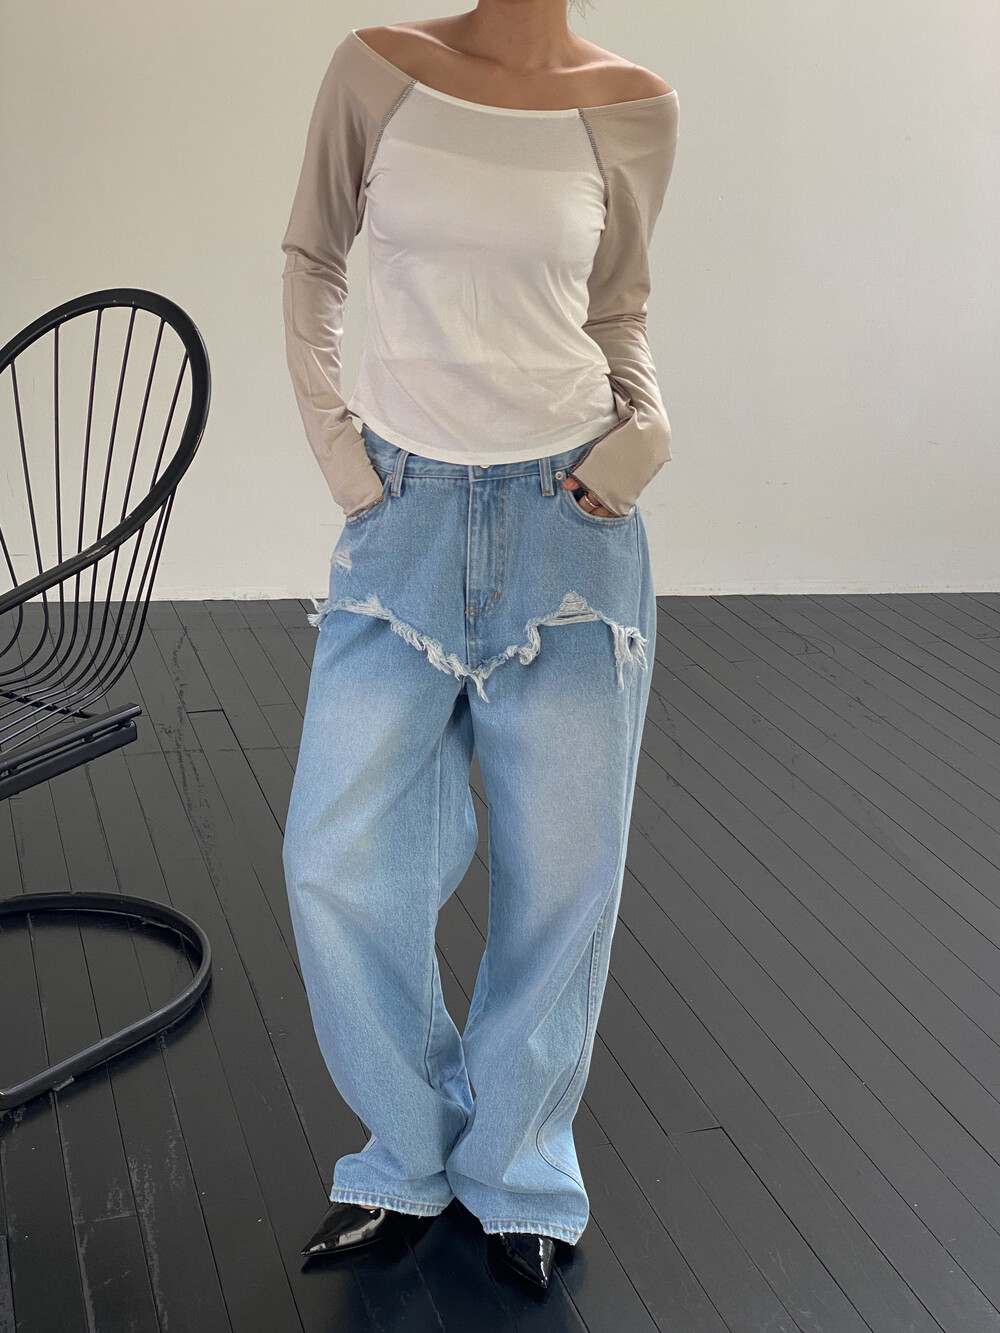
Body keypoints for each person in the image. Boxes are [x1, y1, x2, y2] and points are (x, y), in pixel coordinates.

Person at [280, 1, 679, 1292]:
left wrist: (646, 432)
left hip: (573, 522)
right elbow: (312, 257)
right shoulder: (377, 69)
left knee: (564, 882)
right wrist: (339, 451)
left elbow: (617, 310)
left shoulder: (632, 105)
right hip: (400, 514)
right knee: (336, 859)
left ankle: (520, 1174)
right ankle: (405, 1151)